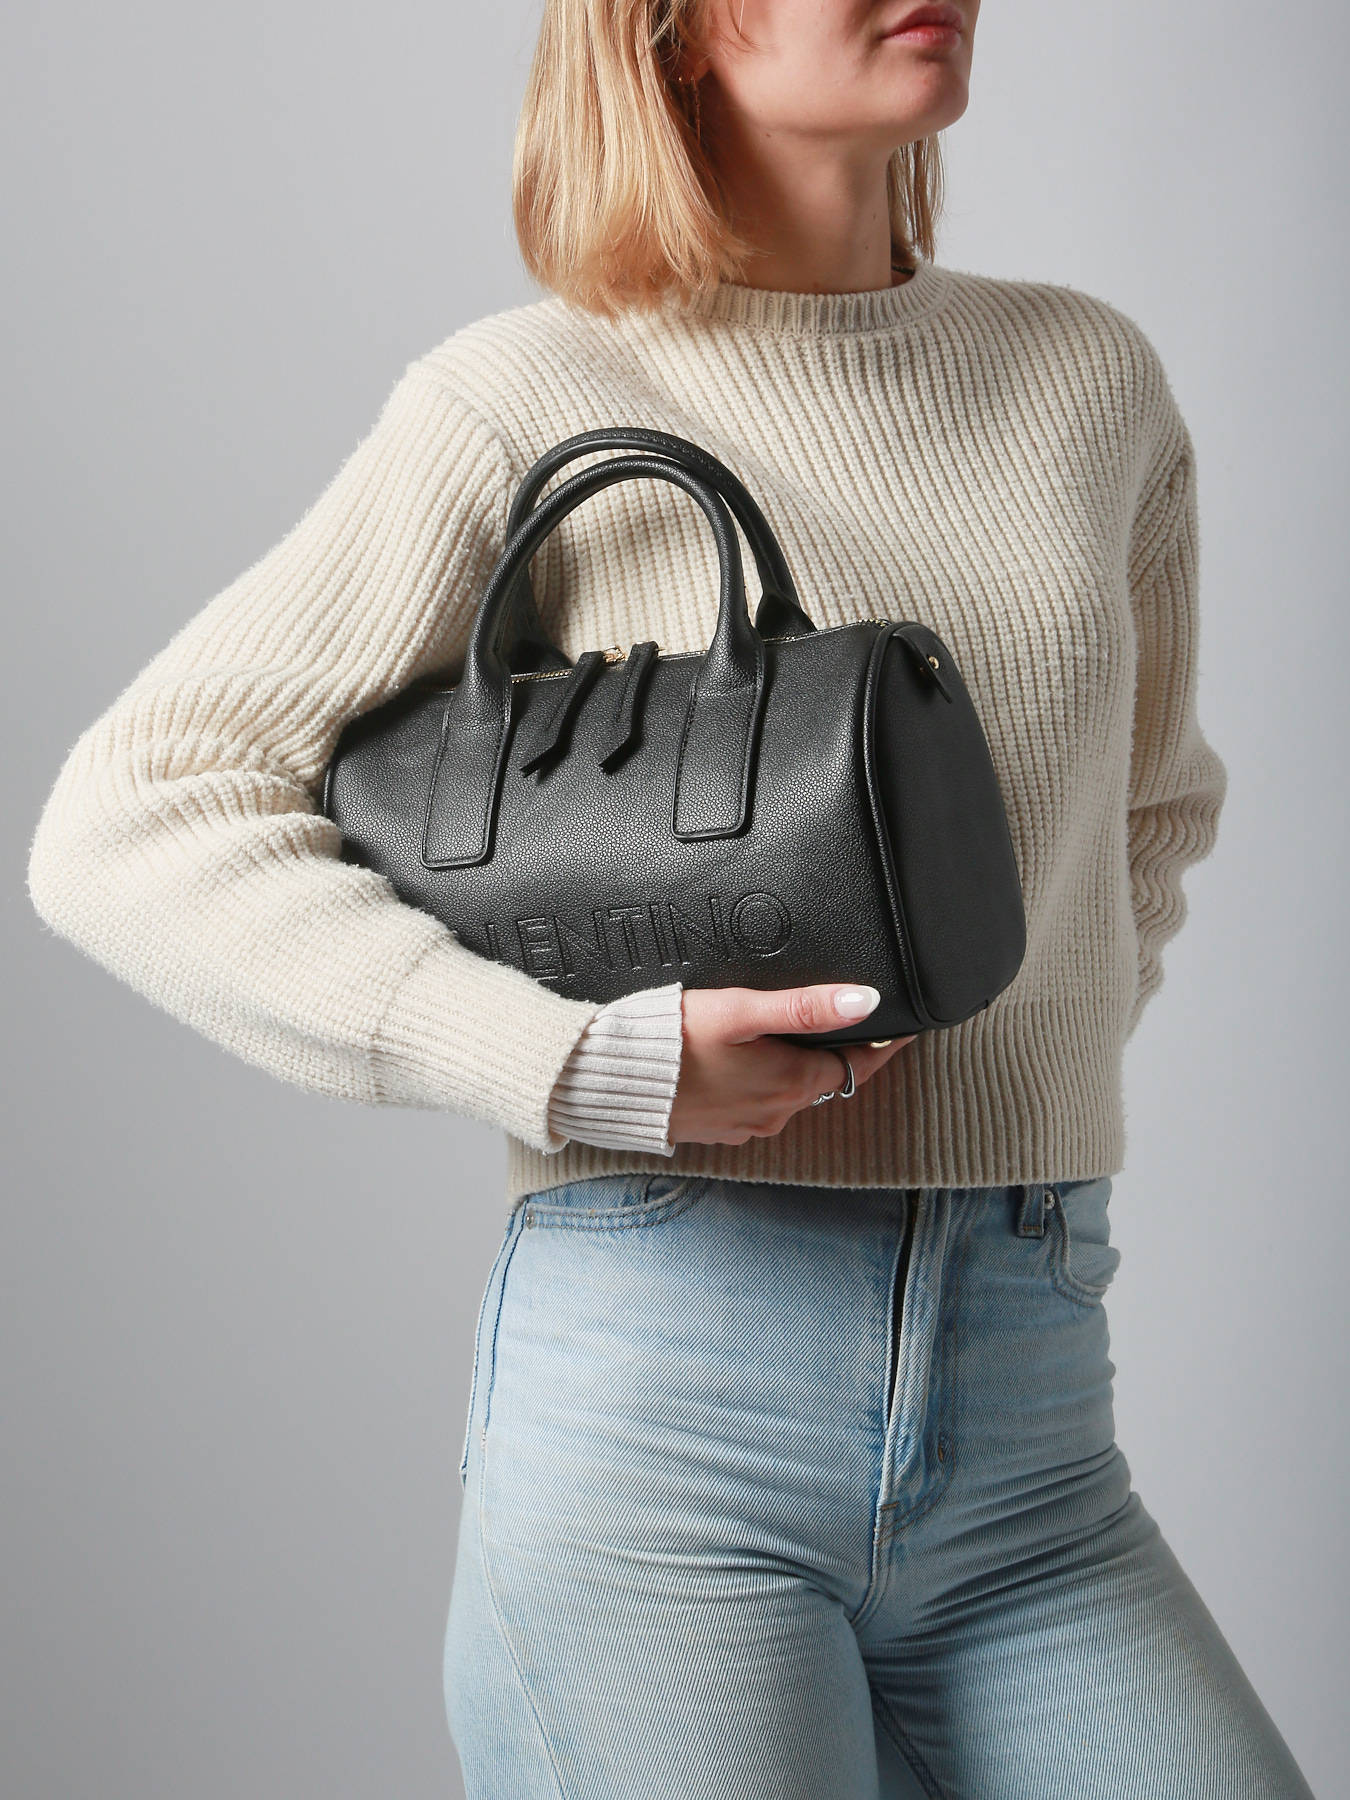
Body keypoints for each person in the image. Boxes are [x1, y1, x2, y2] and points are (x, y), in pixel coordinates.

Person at [25, 1, 1315, 1794]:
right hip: (666, 1427)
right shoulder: (523, 397)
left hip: (1034, 1418)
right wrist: (572, 1065)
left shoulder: (1086, 379)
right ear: (676, 34)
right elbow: (133, 813)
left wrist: (999, 1059)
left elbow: (1144, 814)